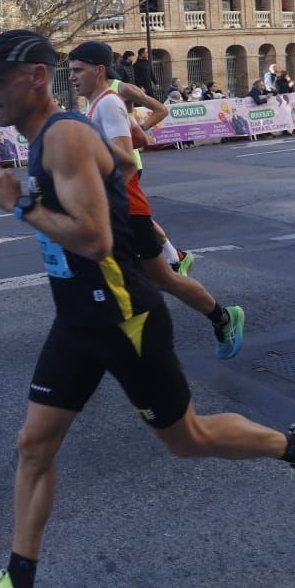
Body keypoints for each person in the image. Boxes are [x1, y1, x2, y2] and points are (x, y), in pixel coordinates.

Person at [0, 29, 295, 588]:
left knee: (188, 439)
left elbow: (97, 239)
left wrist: (20, 206)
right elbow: (119, 173)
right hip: (77, 318)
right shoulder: (44, 141)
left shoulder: (66, 135)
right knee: (34, 445)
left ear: (32, 76)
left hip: (122, 316)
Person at [71, 40, 244, 359]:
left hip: (124, 207)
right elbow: (137, 138)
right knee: (160, 279)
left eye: (77, 70)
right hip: (120, 205)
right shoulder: (99, 104)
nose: (71, 77)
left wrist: (102, 200)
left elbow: (125, 160)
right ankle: (219, 315)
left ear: (98, 71)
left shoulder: (108, 103)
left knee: (138, 280)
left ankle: (144, 343)